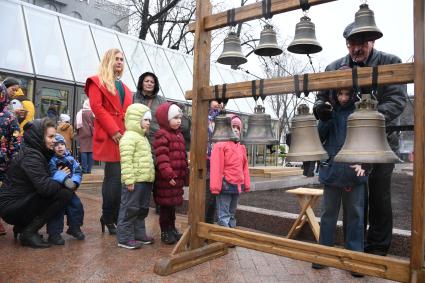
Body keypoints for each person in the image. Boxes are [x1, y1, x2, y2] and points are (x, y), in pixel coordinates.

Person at [313, 22, 407, 256]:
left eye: (363, 44)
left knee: (378, 196)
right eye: (353, 44)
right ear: (347, 44)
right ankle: (354, 248)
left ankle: (376, 248)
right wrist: (319, 109)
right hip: (346, 145)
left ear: (373, 42)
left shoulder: (391, 63)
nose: (357, 49)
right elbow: (321, 98)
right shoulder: (333, 68)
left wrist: (367, 120)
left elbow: (396, 101)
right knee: (354, 197)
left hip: (381, 143)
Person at [312, 86, 368, 278]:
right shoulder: (331, 112)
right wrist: (324, 119)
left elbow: (368, 141)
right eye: (340, 94)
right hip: (333, 172)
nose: (343, 98)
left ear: (353, 94)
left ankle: (355, 259)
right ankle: (324, 254)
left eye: (347, 94)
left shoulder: (359, 113)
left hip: (354, 173)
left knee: (355, 217)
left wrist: (367, 166)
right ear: (335, 95)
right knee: (328, 215)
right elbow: (319, 137)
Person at [0, 118, 73, 248]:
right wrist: (59, 177)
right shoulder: (31, 156)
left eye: (54, 136)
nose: (54, 140)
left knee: (61, 191)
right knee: (64, 194)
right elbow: (46, 189)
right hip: (11, 207)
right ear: (38, 137)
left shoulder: (38, 151)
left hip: (16, 202)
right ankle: (29, 232)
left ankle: (23, 226)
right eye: (50, 136)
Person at [85, 48, 132, 235]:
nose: (120, 62)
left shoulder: (125, 87)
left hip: (124, 136)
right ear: (108, 60)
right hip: (110, 136)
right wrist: (114, 131)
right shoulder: (96, 82)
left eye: (122, 59)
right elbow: (97, 108)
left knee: (121, 179)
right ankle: (108, 216)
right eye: (116, 59)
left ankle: (115, 217)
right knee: (113, 179)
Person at [117, 104, 155, 249]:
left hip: (145, 180)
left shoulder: (143, 137)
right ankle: (124, 238)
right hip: (134, 181)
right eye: (145, 119)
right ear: (135, 119)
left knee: (142, 209)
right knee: (129, 208)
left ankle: (139, 233)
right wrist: (129, 180)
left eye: (149, 120)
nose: (148, 123)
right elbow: (126, 160)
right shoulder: (129, 137)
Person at [153, 103, 188, 245]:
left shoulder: (179, 135)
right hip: (167, 180)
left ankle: (172, 229)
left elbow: (182, 156)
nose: (179, 120)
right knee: (165, 208)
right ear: (165, 119)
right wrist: (169, 175)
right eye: (175, 118)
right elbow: (162, 158)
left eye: (180, 117)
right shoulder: (162, 135)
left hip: (176, 179)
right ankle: (164, 231)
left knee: (172, 207)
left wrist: (184, 172)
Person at [133, 72, 165, 216]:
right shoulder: (134, 97)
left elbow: (165, 118)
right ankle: (139, 203)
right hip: (139, 139)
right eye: (147, 81)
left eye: (152, 81)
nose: (149, 83)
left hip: (156, 140)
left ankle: (158, 203)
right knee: (142, 170)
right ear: (142, 83)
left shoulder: (161, 100)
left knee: (157, 171)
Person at [209, 115, 250, 228]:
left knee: (231, 213)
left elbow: (244, 167)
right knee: (224, 214)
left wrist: (246, 184)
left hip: (237, 185)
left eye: (238, 127)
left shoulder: (241, 148)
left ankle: (231, 234)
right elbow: (216, 167)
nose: (236, 129)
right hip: (225, 185)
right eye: (233, 127)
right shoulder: (220, 146)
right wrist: (216, 187)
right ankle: (225, 238)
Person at [46, 134, 84, 245]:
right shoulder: (51, 160)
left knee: (76, 206)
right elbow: (52, 172)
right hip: (57, 190)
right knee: (57, 210)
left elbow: (77, 171)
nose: (60, 147)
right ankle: (54, 233)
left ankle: (74, 227)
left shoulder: (71, 159)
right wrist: (65, 180)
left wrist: (75, 182)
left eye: (62, 144)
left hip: (70, 190)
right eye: (56, 145)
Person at [0, 77, 22, 235]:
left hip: (3, 163)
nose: (15, 93)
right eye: (12, 89)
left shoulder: (9, 116)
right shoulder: (10, 116)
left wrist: (14, 162)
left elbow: (15, 142)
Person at [205, 100, 221, 224]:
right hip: (206, 161)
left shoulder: (222, 119)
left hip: (218, 161)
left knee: (215, 197)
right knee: (208, 196)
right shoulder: (205, 118)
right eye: (214, 103)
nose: (217, 105)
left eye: (218, 103)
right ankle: (205, 221)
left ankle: (209, 222)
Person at [76, 99, 94, 174]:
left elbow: (76, 124)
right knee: (91, 151)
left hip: (82, 133)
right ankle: (89, 170)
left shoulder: (80, 112)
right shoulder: (92, 113)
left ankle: (84, 169)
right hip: (91, 134)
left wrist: (78, 132)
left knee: (83, 151)